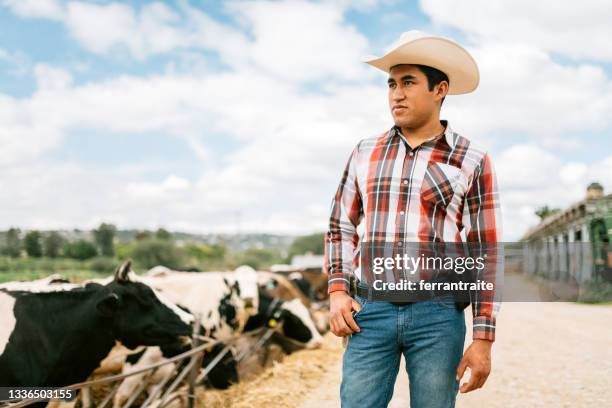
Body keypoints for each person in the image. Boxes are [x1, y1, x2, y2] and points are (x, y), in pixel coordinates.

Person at [324, 30, 502, 407]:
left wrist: (483, 338)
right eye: (391, 84)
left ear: (440, 89)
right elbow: (341, 225)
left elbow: (486, 249)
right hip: (369, 313)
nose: (396, 94)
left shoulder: (472, 158)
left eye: (408, 82)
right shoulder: (364, 152)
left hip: (439, 316)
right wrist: (339, 290)